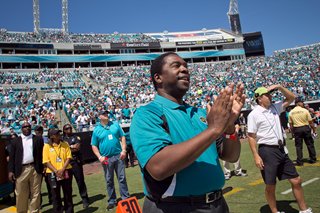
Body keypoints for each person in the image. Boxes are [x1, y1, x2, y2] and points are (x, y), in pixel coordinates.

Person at [130, 52, 245, 213]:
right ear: (158, 78)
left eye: (185, 66)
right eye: (176, 66)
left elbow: (231, 156)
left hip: (217, 204)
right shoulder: (147, 114)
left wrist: (229, 127)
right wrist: (213, 130)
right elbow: (158, 167)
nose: (184, 69)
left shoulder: (201, 114)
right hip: (174, 207)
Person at [247, 86, 313, 213]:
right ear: (259, 98)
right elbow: (251, 136)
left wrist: (279, 87)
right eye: (267, 95)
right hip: (267, 151)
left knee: (296, 180)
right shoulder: (253, 114)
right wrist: (256, 155)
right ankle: (275, 211)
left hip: (282, 149)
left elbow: (291, 98)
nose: (270, 96)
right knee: (271, 185)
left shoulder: (275, 107)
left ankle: (304, 210)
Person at [91, 110, 130, 211]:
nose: (106, 115)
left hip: (118, 156)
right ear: (99, 116)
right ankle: (112, 200)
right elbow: (94, 145)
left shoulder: (115, 124)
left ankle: (125, 198)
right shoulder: (96, 130)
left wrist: (124, 150)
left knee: (122, 178)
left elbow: (123, 137)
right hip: (106, 158)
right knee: (109, 180)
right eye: (104, 114)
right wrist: (99, 157)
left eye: (106, 113)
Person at [8, 122, 44, 213]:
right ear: (21, 129)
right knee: (21, 194)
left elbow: (42, 154)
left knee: (35, 193)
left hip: (35, 169)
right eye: (25, 127)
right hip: (21, 170)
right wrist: (11, 171)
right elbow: (12, 158)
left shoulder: (38, 139)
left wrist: (43, 167)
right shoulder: (15, 141)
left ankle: (34, 211)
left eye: (28, 126)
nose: (27, 128)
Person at [43, 128, 74, 213]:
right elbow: (46, 161)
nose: (59, 135)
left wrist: (63, 169)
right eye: (57, 134)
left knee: (68, 193)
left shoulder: (65, 144)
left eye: (59, 133)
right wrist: (56, 171)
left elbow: (69, 157)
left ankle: (69, 211)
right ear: (52, 136)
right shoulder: (46, 146)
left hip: (66, 171)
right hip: (52, 174)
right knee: (56, 195)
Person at [62, 123, 90, 209]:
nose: (69, 130)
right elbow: (62, 150)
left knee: (80, 181)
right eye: (67, 129)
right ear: (64, 130)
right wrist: (71, 147)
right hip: (66, 163)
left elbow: (77, 148)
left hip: (75, 162)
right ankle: (68, 202)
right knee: (67, 184)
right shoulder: (62, 139)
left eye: (70, 128)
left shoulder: (76, 137)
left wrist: (68, 148)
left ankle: (85, 199)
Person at [288, 97, 317, 165]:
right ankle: (313, 158)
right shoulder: (305, 110)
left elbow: (291, 124)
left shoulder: (291, 112)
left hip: (297, 129)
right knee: (310, 144)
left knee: (298, 146)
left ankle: (300, 161)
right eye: (302, 102)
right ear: (298, 103)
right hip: (305, 128)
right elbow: (311, 122)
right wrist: (314, 130)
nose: (303, 103)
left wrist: (293, 133)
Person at [34, 125, 52, 205]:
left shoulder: (46, 140)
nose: (38, 132)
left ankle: (52, 199)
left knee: (49, 183)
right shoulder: (33, 140)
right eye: (36, 130)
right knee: (37, 185)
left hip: (47, 163)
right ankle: (39, 202)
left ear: (41, 131)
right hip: (38, 164)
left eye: (39, 130)